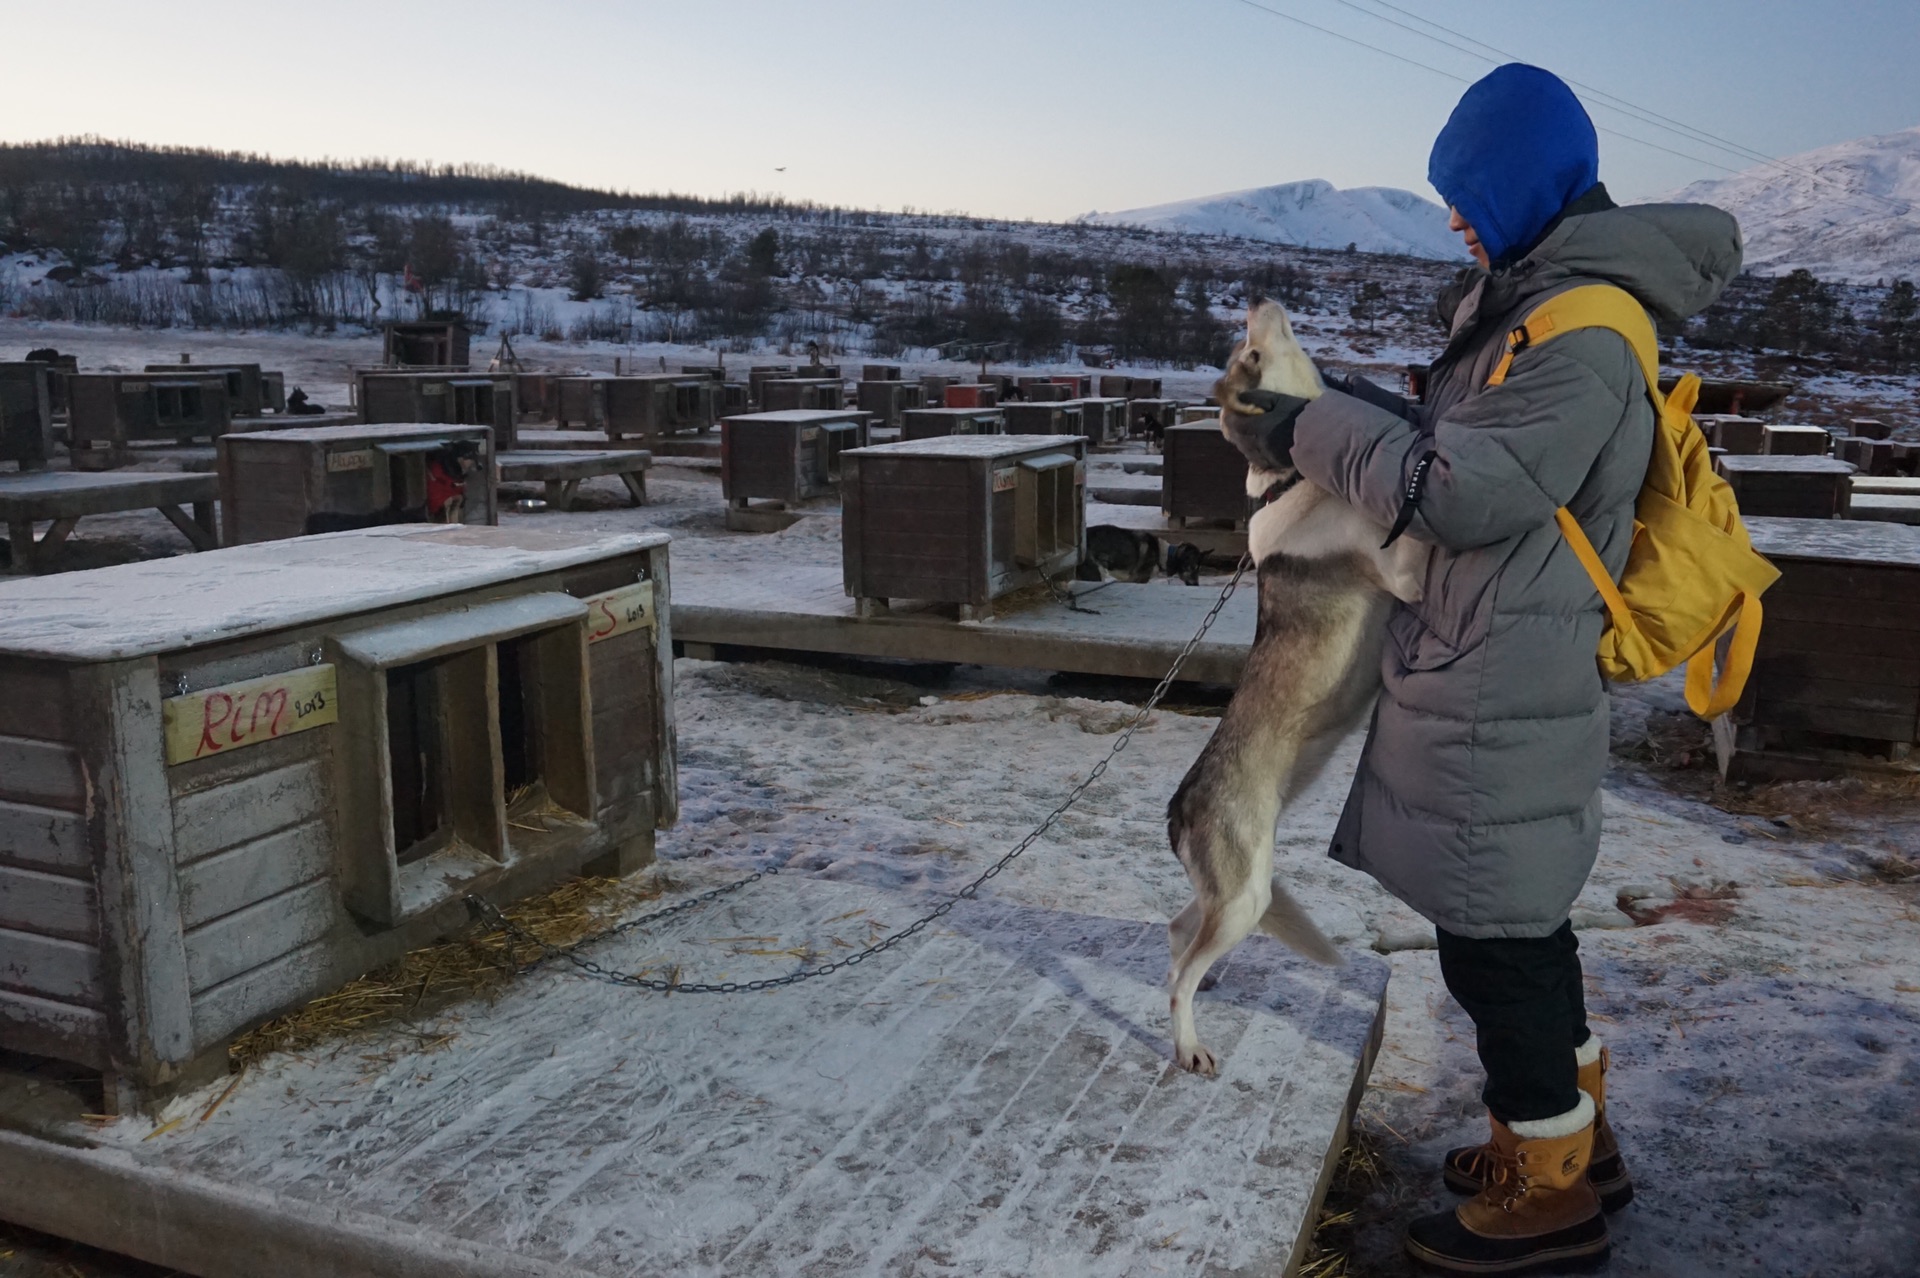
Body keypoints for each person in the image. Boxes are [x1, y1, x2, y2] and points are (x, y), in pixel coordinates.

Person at [1284, 64, 1742, 1273]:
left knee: (1500, 935)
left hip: (1507, 669)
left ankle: (1544, 1199)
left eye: (1466, 192)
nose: (1453, 218)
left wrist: (1304, 430)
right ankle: (1571, 1147)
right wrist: (1340, 401)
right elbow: (1460, 444)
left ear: (1525, 182)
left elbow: (1462, 495)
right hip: (1495, 652)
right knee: (1518, 924)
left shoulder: (1582, 330)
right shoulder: (1538, 300)